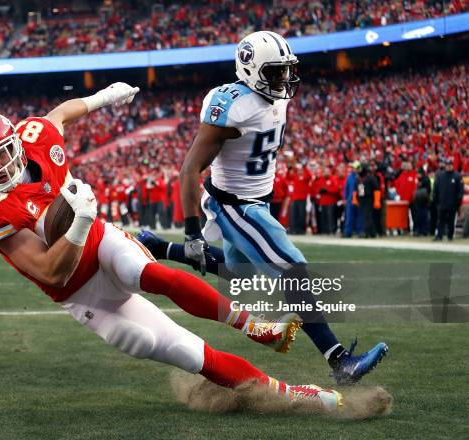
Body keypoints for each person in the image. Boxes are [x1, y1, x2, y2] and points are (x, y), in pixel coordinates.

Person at [0, 83, 342, 411]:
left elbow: (60, 113)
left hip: (101, 242)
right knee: (181, 350)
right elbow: (50, 271)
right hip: (79, 291)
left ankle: (254, 326)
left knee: (146, 272)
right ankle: (295, 396)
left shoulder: (35, 136)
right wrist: (80, 222)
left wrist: (105, 97)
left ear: (14, 141)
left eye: (2, 153)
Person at [138, 31, 387, 385]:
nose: (284, 79)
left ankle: (158, 246)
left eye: (287, 70)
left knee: (239, 275)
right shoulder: (231, 104)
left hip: (256, 202)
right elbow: (189, 169)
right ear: (250, 69)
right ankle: (340, 361)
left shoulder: (276, 100)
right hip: (237, 207)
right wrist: (193, 231)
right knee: (294, 272)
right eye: (275, 72)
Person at [432, 158, 463, 241]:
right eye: (447, 165)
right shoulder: (440, 176)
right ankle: (439, 236)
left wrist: (458, 202)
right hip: (442, 202)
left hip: (452, 203)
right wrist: (436, 199)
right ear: (445, 166)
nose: (449, 166)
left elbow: (460, 190)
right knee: (440, 221)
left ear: (452, 165)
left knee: (451, 221)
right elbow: (436, 188)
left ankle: (450, 235)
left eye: (450, 165)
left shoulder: (457, 176)